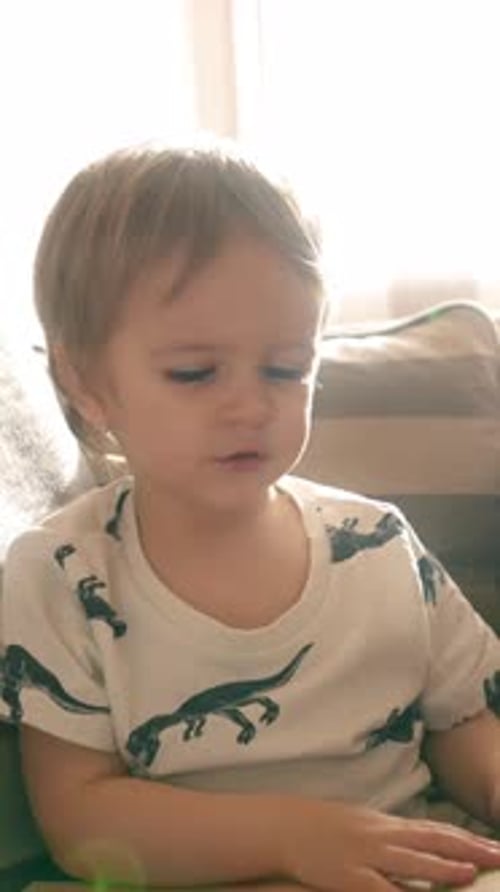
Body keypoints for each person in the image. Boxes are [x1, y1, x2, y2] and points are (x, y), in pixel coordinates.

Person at [1, 140, 500, 892]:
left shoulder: (378, 543)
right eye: (194, 373)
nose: (250, 405)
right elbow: (81, 820)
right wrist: (298, 838)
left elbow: (461, 722)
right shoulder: (63, 572)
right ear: (85, 382)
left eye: (286, 368)